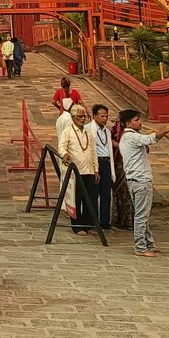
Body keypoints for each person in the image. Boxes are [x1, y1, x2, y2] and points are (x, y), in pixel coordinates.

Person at [117, 109, 169, 257]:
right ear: (128, 123)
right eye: (136, 120)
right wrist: (167, 129)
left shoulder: (128, 137)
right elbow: (151, 139)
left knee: (143, 214)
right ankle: (140, 246)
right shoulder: (131, 137)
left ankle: (149, 244)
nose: (140, 122)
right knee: (141, 216)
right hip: (140, 180)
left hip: (135, 180)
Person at [59, 105, 98, 235]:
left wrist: (96, 169)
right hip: (76, 172)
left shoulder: (88, 132)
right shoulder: (68, 131)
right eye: (79, 117)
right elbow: (62, 147)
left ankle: (88, 225)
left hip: (89, 171)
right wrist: (65, 154)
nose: (82, 119)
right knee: (76, 199)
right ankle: (77, 226)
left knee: (89, 199)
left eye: (84, 116)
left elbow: (93, 152)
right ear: (73, 117)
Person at [87, 105, 114, 230]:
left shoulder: (107, 131)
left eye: (106, 116)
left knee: (106, 193)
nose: (104, 119)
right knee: (93, 193)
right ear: (95, 116)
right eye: (102, 116)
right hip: (95, 162)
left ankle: (105, 221)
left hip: (106, 162)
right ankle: (93, 221)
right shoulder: (88, 129)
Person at [110, 110, 134, 230]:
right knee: (119, 192)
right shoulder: (113, 131)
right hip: (118, 165)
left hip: (130, 165)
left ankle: (129, 220)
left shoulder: (133, 133)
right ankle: (119, 218)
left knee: (129, 193)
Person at [52, 77, 83, 145]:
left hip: (62, 115)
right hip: (70, 116)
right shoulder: (74, 92)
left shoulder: (59, 92)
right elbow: (81, 102)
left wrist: (59, 107)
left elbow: (53, 101)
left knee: (61, 134)